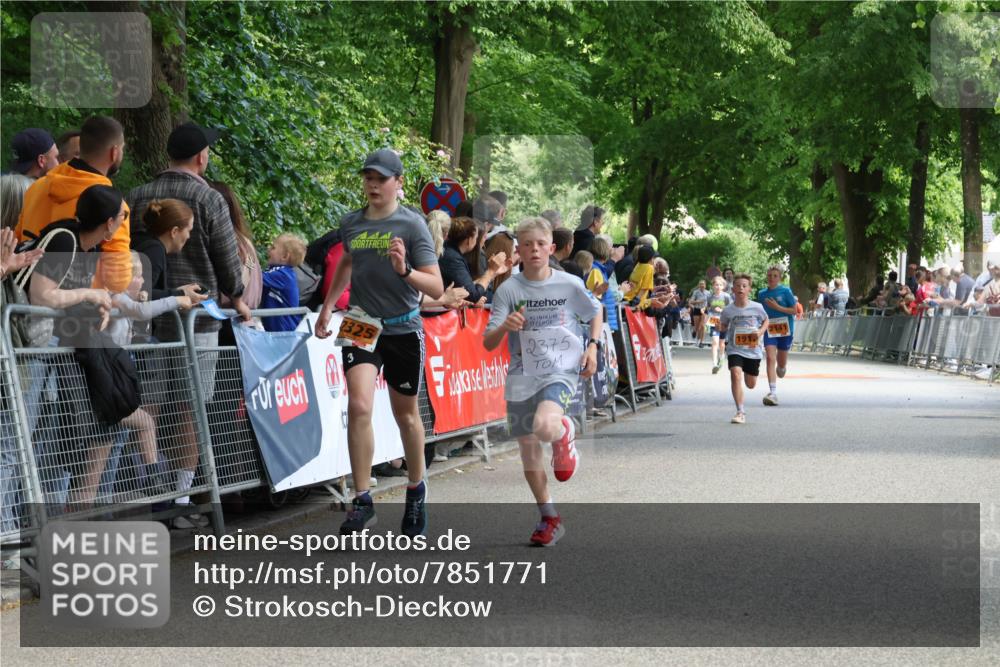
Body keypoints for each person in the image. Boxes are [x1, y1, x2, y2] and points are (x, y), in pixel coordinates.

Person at [315, 148, 443, 538]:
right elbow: (347, 262)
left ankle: (416, 490)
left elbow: (436, 287)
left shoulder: (412, 225)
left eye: (381, 178)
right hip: (361, 321)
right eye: (368, 177)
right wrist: (326, 309)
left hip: (403, 325)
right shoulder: (351, 223)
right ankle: (363, 501)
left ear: (398, 183)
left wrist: (404, 271)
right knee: (358, 406)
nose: (372, 184)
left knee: (406, 415)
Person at [483, 216, 601, 546]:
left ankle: (564, 432)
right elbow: (488, 342)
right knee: (528, 450)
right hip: (522, 373)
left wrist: (593, 347)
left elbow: (595, 313)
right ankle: (549, 516)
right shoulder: (508, 289)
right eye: (527, 244)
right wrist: (506, 326)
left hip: (559, 368)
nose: (534, 249)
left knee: (545, 426)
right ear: (517, 250)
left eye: (540, 244)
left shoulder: (567, 284)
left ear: (551, 248)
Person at [27, 185, 124, 507]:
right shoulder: (64, 239)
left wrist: (95, 307)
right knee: (18, 440)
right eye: (121, 218)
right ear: (108, 223)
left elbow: (65, 299)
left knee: (44, 441)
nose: (122, 225)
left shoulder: (87, 249)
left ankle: (27, 521)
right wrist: (88, 295)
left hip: (54, 348)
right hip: (29, 348)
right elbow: (41, 295)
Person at [16, 116, 131, 293]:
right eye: (122, 149)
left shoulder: (37, 187)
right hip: (77, 310)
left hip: (25, 302)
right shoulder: (113, 205)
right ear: (114, 152)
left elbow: (18, 242)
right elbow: (117, 280)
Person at [129, 199, 206, 332]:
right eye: (189, 230)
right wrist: (179, 293)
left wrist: (178, 292)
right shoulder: (154, 250)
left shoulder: (141, 240)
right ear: (175, 231)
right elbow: (141, 295)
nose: (188, 236)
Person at [717, 273, 769, 424]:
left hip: (753, 350)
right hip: (735, 348)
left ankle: (748, 371)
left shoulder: (757, 307)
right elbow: (724, 326)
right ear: (733, 289)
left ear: (749, 290)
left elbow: (766, 321)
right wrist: (719, 327)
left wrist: (759, 332)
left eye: (744, 286)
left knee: (751, 384)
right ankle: (740, 411)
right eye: (738, 286)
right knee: (735, 373)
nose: (741, 288)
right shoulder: (728, 310)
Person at [210, 182, 262, 313]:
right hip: (245, 317)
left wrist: (236, 298)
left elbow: (242, 279)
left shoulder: (232, 242)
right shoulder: (245, 242)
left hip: (233, 316)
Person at [439, 216, 506, 304]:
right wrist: (490, 271)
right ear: (469, 240)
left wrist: (493, 273)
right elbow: (473, 295)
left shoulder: (450, 252)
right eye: (476, 237)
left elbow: (467, 288)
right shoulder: (453, 258)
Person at [757, 266, 797, 406]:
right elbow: (760, 312)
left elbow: (794, 310)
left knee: (780, 365)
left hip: (785, 330)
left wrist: (777, 308)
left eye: (775, 275)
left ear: (779, 277)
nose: (771, 278)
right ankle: (773, 393)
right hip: (770, 329)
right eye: (769, 275)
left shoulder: (786, 291)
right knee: (769, 357)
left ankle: (782, 367)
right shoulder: (762, 294)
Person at [260, 233, 307, 332]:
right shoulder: (276, 271)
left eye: (273, 247)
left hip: (286, 332)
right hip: (277, 331)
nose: (269, 248)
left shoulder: (284, 275)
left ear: (285, 256)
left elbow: (255, 278)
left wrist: (249, 260)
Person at [590, 236, 620, 332]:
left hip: (607, 322)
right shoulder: (596, 270)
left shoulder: (600, 269)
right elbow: (597, 299)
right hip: (602, 323)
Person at [706, 276, 733, 374]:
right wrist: (705, 321)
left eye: (720, 285)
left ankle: (721, 358)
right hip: (713, 320)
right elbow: (707, 309)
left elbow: (731, 308)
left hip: (723, 321)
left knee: (721, 344)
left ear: (723, 286)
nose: (718, 286)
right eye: (716, 284)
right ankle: (714, 364)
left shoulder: (726, 296)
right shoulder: (709, 296)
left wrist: (722, 310)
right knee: (714, 342)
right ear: (713, 286)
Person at [624, 245, 655, 309]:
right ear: (650, 258)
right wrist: (636, 300)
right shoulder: (649, 268)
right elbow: (644, 288)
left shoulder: (638, 265)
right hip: (635, 301)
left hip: (626, 296)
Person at [688, 279, 711, 347]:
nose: (702, 285)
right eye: (700, 284)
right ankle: (695, 333)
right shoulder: (696, 292)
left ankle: (701, 342)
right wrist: (698, 302)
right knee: (697, 327)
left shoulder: (708, 293)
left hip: (704, 310)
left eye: (703, 284)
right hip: (697, 309)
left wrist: (708, 307)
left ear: (705, 285)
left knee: (703, 326)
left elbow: (710, 302)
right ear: (698, 285)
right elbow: (691, 301)